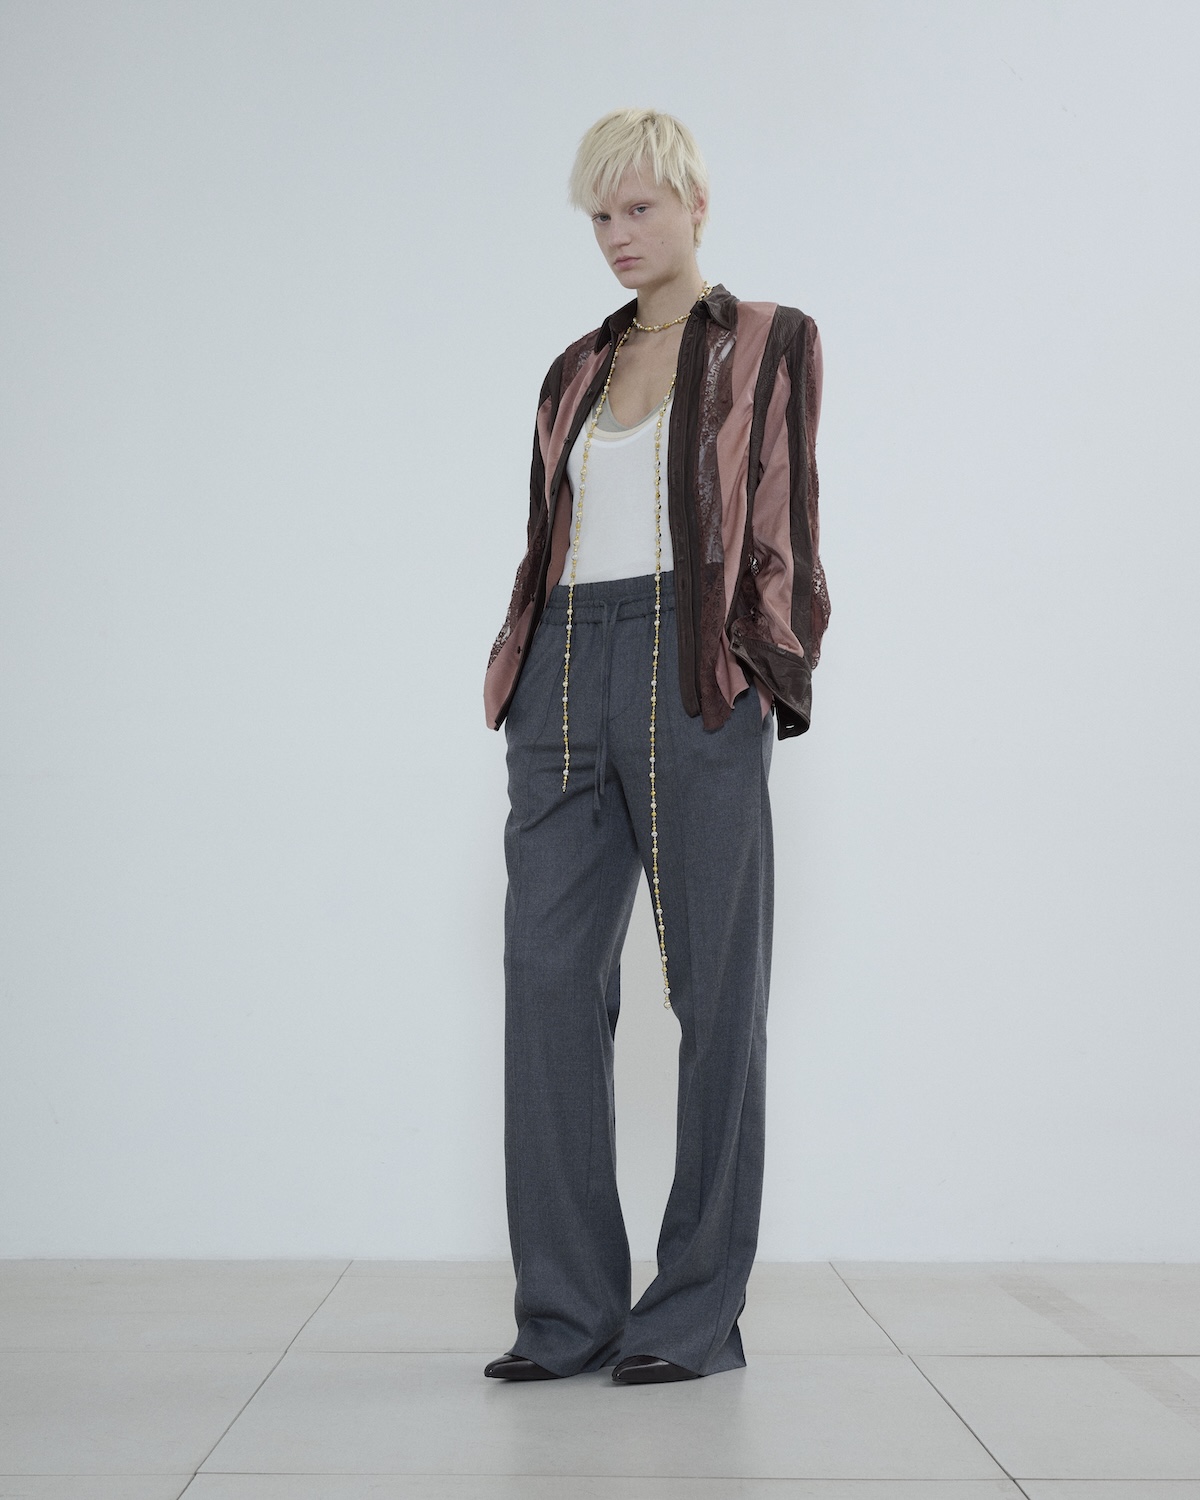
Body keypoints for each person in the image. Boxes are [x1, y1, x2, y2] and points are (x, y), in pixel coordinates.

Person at [481, 107, 828, 1385]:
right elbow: (550, 535)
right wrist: (522, 673)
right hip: (564, 669)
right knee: (547, 982)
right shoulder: (572, 369)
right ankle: (568, 1313)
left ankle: (690, 1317)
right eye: (600, 216)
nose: (618, 235)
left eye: (639, 208)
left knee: (715, 994)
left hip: (697, 670)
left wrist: (760, 674)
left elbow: (785, 524)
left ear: (693, 204)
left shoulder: (769, 340)